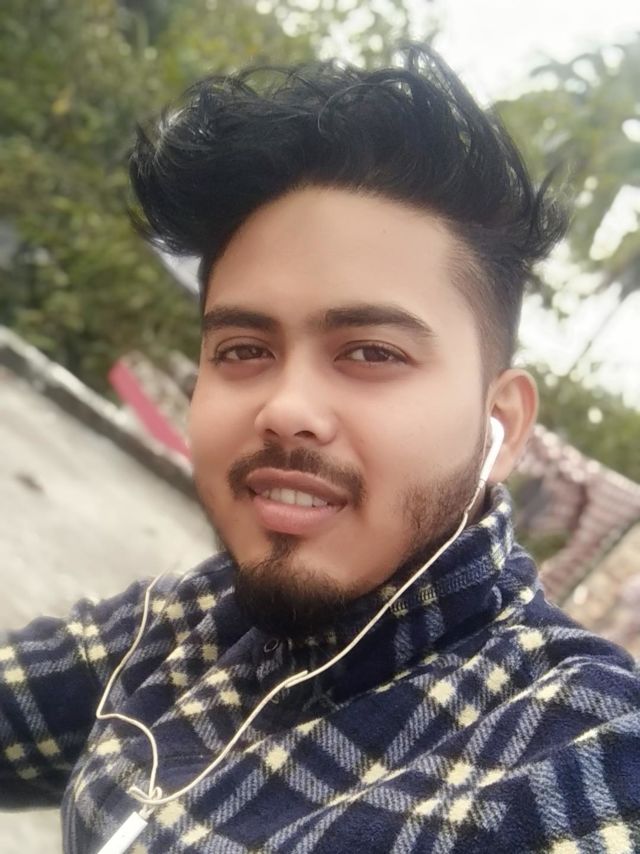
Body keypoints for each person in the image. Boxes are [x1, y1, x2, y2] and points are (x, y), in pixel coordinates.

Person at [1, 46, 639, 853]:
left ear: (501, 425)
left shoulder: (578, 752)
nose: (286, 409)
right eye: (242, 350)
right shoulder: (187, 622)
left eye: (371, 352)